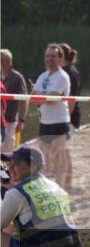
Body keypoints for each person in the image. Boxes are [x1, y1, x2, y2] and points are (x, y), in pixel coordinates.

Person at [0, 145, 80, 247]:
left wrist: (8, 189)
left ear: (32, 166)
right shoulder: (54, 186)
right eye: (9, 164)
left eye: (16, 164)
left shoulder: (16, 193)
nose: (10, 168)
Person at [29, 45, 71, 189]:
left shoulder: (62, 76)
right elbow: (33, 98)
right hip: (44, 121)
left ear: (60, 59)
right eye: (47, 56)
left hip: (59, 121)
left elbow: (52, 98)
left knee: (59, 157)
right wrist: (40, 97)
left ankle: (61, 187)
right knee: (45, 158)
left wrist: (39, 97)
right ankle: (48, 188)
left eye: (53, 56)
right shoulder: (42, 76)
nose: (49, 59)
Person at [57, 44, 79, 191]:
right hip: (69, 115)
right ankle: (66, 181)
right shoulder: (69, 71)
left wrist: (67, 118)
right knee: (63, 150)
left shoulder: (68, 72)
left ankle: (68, 182)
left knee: (64, 150)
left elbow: (71, 99)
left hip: (69, 116)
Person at [0, 50, 28, 153]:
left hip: (10, 122)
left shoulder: (17, 77)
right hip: (1, 122)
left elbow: (24, 100)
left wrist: (21, 120)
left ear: (7, 62)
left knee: (7, 154)